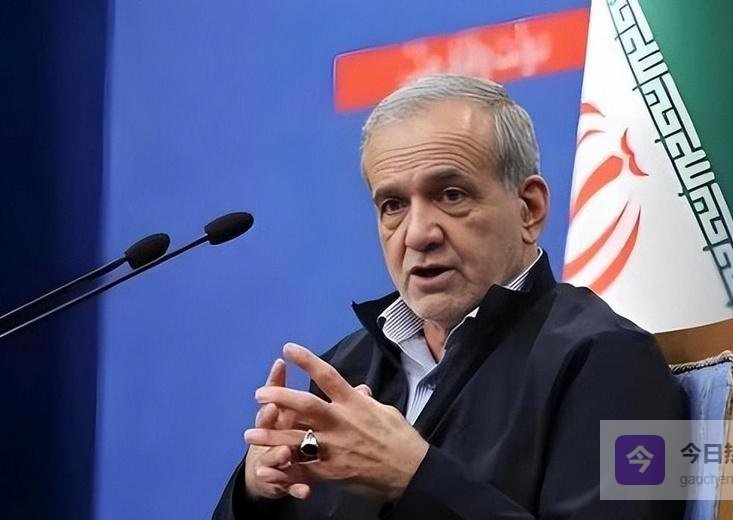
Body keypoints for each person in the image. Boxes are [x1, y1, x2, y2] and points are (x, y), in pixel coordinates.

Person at [213, 74, 686, 519]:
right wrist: (255, 493)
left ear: (529, 209)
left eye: (451, 195)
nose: (418, 234)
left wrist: (414, 477)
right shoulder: (347, 370)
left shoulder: (614, 360)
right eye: (393, 205)